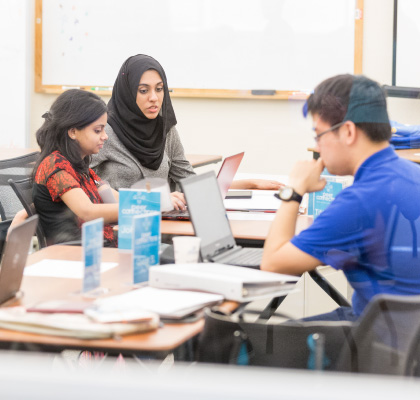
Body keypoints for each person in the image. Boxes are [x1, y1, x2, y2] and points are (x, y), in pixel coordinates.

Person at [261, 74, 420, 321]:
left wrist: (293, 191)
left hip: (380, 342)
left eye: (319, 135)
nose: (318, 147)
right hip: (405, 336)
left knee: (245, 346)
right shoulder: (414, 175)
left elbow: (273, 264)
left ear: (347, 131)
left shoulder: (359, 202)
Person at [91, 54, 283, 210]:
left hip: (163, 223)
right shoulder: (104, 133)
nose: (154, 98)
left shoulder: (165, 130)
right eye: (143, 90)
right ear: (127, 92)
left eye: (159, 89)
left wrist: (249, 184)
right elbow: (87, 188)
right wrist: (154, 200)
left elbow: (190, 182)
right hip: (120, 226)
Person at [32, 89, 119, 246]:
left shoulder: (78, 164)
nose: (105, 136)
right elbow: (88, 212)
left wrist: (156, 201)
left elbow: (112, 196)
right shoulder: (55, 166)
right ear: (73, 132)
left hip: (98, 247)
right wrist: (141, 208)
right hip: (77, 256)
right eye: (98, 130)